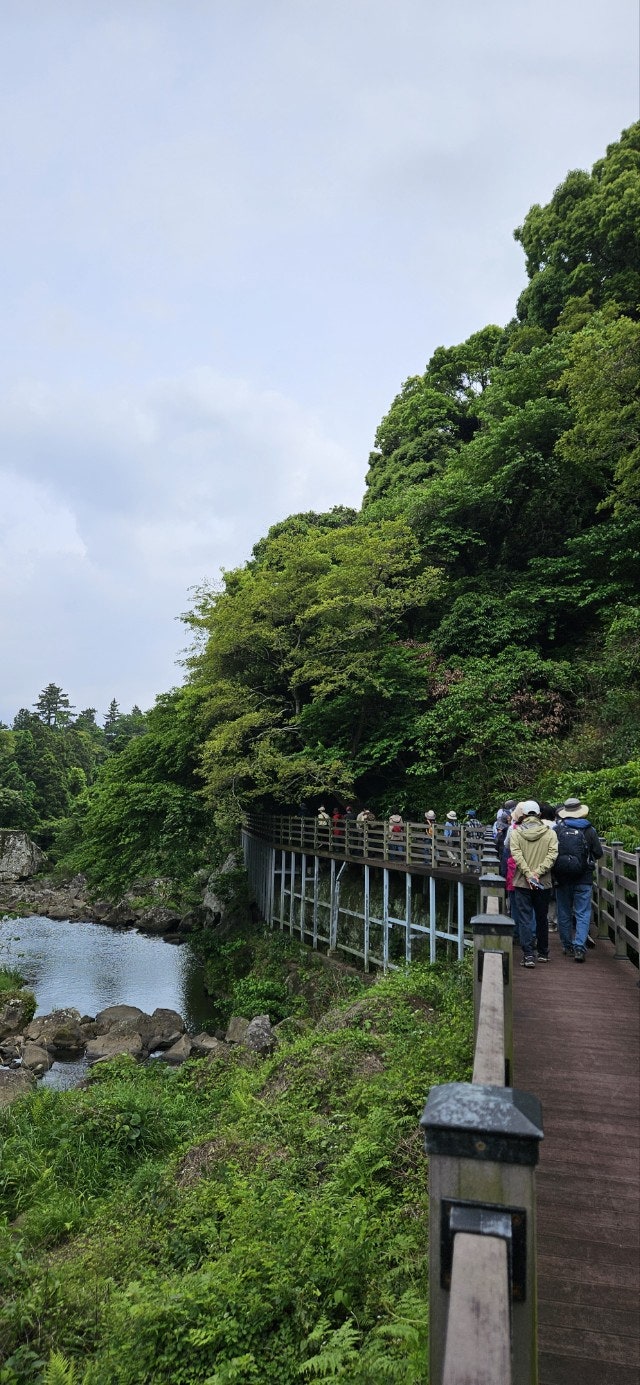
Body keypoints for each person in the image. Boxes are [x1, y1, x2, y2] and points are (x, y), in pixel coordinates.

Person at [553, 798, 603, 962]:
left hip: (562, 877)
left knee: (564, 912)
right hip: (584, 877)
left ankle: (567, 946)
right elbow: (598, 853)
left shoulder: (557, 829)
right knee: (582, 913)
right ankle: (579, 948)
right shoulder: (590, 830)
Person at [509, 800, 558, 967]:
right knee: (541, 917)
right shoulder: (550, 833)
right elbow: (552, 855)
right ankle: (543, 952)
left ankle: (528, 955)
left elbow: (516, 855)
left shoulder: (516, 833)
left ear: (523, 815)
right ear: (539, 814)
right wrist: (538, 873)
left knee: (524, 918)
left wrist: (529, 874)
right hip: (543, 882)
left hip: (522, 882)